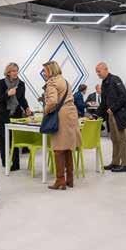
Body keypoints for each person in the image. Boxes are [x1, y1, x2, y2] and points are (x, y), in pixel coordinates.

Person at [43, 61, 82, 190]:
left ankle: (60, 180)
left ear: (50, 70)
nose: (44, 73)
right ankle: (70, 179)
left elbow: (52, 101)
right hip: (71, 114)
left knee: (58, 149)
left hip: (61, 116)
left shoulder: (52, 82)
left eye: (45, 70)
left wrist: (45, 111)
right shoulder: (64, 81)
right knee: (67, 147)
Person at [95, 62, 126, 172]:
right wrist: (96, 115)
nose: (98, 74)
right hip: (111, 115)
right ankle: (115, 162)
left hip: (119, 115)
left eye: (99, 71)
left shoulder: (115, 79)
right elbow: (104, 102)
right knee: (114, 139)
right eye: (96, 72)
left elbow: (124, 96)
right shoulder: (104, 83)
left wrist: (113, 108)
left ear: (106, 69)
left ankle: (125, 164)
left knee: (122, 139)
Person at [0, 63, 32, 170]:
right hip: (3, 115)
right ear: (8, 72)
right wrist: (8, 94)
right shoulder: (2, 82)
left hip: (16, 114)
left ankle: (16, 164)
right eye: (13, 71)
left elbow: (22, 98)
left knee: (14, 139)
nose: (15, 73)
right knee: (4, 139)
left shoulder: (21, 84)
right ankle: (5, 162)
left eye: (16, 71)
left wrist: (26, 107)